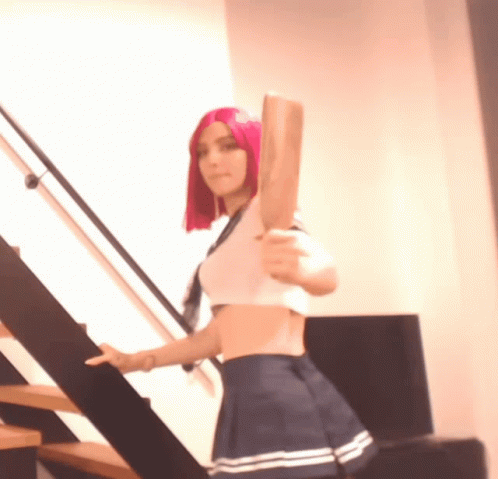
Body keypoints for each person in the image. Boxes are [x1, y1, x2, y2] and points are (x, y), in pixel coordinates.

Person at [86, 107, 377, 478]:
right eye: (202, 152)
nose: (212, 160)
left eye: (227, 146)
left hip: (277, 392)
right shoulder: (231, 234)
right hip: (245, 392)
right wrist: (136, 360)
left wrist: (307, 270)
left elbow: (323, 269)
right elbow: (216, 337)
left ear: (253, 151)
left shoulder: (265, 210)